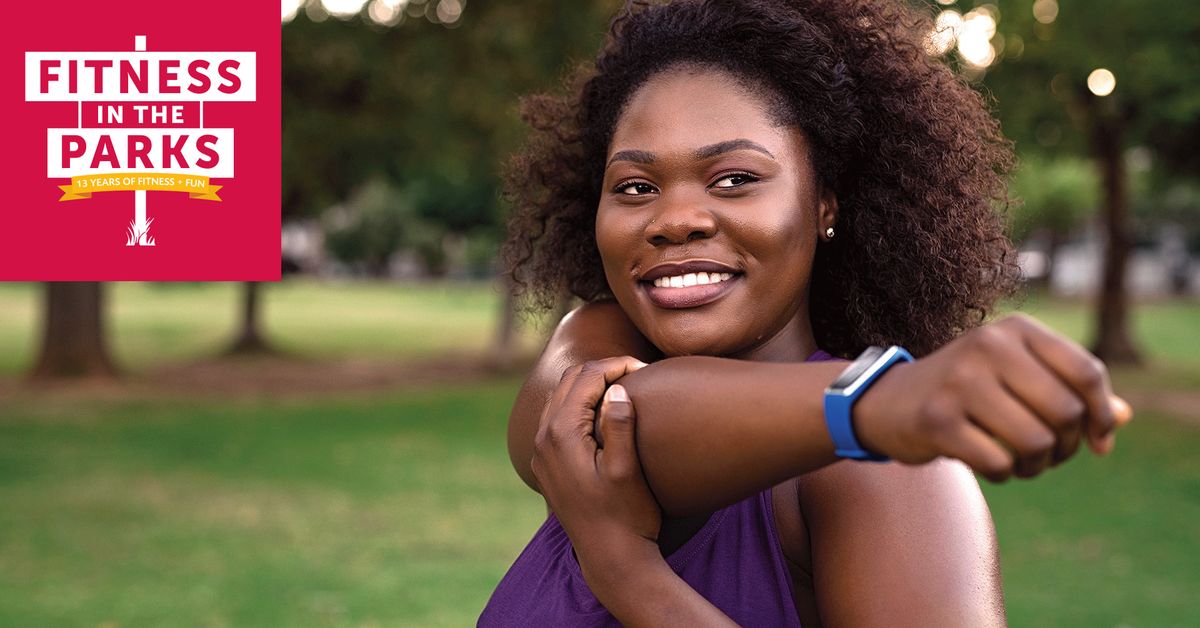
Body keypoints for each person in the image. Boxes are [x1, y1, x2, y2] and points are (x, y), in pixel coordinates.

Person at [479, 1, 1132, 625]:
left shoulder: (892, 477)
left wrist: (630, 577)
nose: (674, 219)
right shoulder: (595, 338)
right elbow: (601, 422)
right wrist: (879, 401)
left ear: (825, 204)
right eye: (636, 188)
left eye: (734, 178)